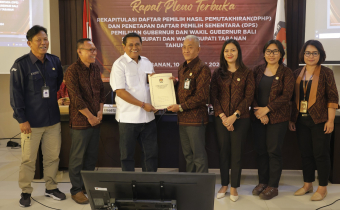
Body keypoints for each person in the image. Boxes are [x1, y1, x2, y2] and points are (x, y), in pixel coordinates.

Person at [9, 25, 66, 207]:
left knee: (52, 157)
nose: (44, 43)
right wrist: (21, 119)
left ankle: (51, 188)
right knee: (28, 159)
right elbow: (15, 94)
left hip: (53, 120)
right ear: (29, 43)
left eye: (45, 39)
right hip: (31, 122)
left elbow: (57, 87)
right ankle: (26, 191)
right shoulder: (21, 64)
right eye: (39, 40)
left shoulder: (55, 61)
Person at [289, 40, 339, 201]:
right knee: (305, 154)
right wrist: (292, 119)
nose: (311, 56)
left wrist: (330, 120)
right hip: (301, 120)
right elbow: (293, 98)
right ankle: (307, 184)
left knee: (321, 154)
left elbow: (332, 98)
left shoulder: (326, 73)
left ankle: (322, 188)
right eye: (308, 53)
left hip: (320, 120)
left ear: (320, 55)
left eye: (314, 53)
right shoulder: (297, 73)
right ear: (303, 55)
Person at [210, 39, 255, 201]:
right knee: (223, 153)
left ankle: (234, 187)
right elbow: (213, 97)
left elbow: (248, 97)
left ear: (238, 53)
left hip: (241, 119)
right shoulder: (218, 73)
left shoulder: (247, 73)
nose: (230, 53)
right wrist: (223, 117)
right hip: (221, 120)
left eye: (233, 50)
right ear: (223, 53)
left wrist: (234, 117)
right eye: (226, 50)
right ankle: (224, 184)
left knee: (237, 153)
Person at [251, 40, 294, 200]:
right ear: (264, 53)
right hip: (258, 118)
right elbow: (250, 93)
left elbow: (287, 95)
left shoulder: (286, 72)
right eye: (269, 51)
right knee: (261, 151)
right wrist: (259, 113)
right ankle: (263, 182)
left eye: (275, 51)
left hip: (278, 118)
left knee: (273, 152)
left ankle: (273, 186)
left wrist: (267, 110)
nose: (272, 54)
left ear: (281, 54)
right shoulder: (257, 70)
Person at [110, 32, 158, 172]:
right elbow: (120, 92)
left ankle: (150, 187)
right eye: (130, 45)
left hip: (148, 118)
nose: (134, 47)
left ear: (141, 45)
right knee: (127, 157)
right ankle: (129, 189)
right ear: (124, 47)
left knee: (151, 155)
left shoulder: (147, 62)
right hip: (128, 119)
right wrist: (143, 105)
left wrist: (163, 82)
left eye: (137, 44)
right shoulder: (119, 64)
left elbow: (152, 84)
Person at [65, 38, 105, 204]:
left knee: (91, 157)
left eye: (94, 49)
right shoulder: (72, 71)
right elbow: (76, 98)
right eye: (90, 50)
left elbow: (101, 91)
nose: (93, 53)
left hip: (96, 120)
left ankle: (87, 186)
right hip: (81, 122)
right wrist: (90, 117)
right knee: (77, 158)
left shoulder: (95, 68)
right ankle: (76, 190)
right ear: (79, 51)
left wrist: (101, 112)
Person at [167, 35, 211, 173]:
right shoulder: (182, 67)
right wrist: (174, 84)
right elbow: (185, 90)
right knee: (188, 156)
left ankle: (202, 187)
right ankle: (191, 185)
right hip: (183, 119)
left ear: (198, 49)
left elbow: (201, 97)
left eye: (190, 47)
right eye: (184, 47)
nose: (186, 50)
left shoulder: (203, 68)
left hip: (196, 120)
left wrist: (180, 107)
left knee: (198, 156)